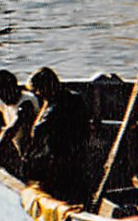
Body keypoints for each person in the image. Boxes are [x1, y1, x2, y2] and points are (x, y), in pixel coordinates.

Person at [22, 67, 90, 201]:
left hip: (60, 157)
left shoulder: (55, 108)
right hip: (77, 153)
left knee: (61, 190)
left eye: (38, 90)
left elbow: (38, 131)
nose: (37, 93)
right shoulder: (74, 97)